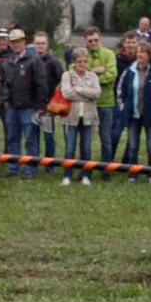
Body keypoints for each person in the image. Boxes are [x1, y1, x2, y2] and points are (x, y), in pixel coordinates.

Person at [0, 29, 47, 177]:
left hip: (29, 108)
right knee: (12, 138)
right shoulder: (8, 62)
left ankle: (30, 169)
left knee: (31, 139)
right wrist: (5, 100)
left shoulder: (34, 60)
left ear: (24, 42)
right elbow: (3, 84)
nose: (16, 45)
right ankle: (13, 167)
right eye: (13, 42)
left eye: (18, 41)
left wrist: (40, 107)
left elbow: (42, 84)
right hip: (12, 108)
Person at [117, 45, 151, 181]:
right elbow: (120, 90)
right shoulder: (129, 71)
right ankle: (132, 174)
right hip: (133, 114)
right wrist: (123, 107)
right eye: (138, 52)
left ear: (149, 55)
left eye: (143, 52)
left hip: (150, 115)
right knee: (133, 146)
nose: (140, 55)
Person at [58, 48, 101, 185]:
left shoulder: (93, 76)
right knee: (70, 147)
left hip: (88, 116)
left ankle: (85, 175)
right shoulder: (67, 75)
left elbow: (97, 93)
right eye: (79, 61)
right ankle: (67, 175)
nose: (82, 64)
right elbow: (67, 93)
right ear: (74, 62)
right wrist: (87, 96)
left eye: (85, 61)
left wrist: (79, 89)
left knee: (86, 147)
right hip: (71, 116)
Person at [80, 28, 120, 177]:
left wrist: (91, 77)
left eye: (96, 40)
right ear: (85, 41)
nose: (93, 43)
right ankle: (86, 170)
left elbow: (112, 75)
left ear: (100, 39)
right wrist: (96, 72)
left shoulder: (109, 54)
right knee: (86, 139)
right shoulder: (81, 54)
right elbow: (76, 73)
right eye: (90, 41)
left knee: (106, 139)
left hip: (106, 102)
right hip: (87, 103)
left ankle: (106, 170)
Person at [34, 31, 64, 162]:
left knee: (48, 134)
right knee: (33, 135)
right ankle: (33, 161)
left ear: (47, 45)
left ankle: (49, 162)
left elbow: (60, 81)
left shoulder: (53, 61)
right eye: (38, 43)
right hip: (32, 104)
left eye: (43, 43)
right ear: (33, 44)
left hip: (48, 106)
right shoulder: (30, 59)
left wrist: (53, 101)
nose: (40, 46)